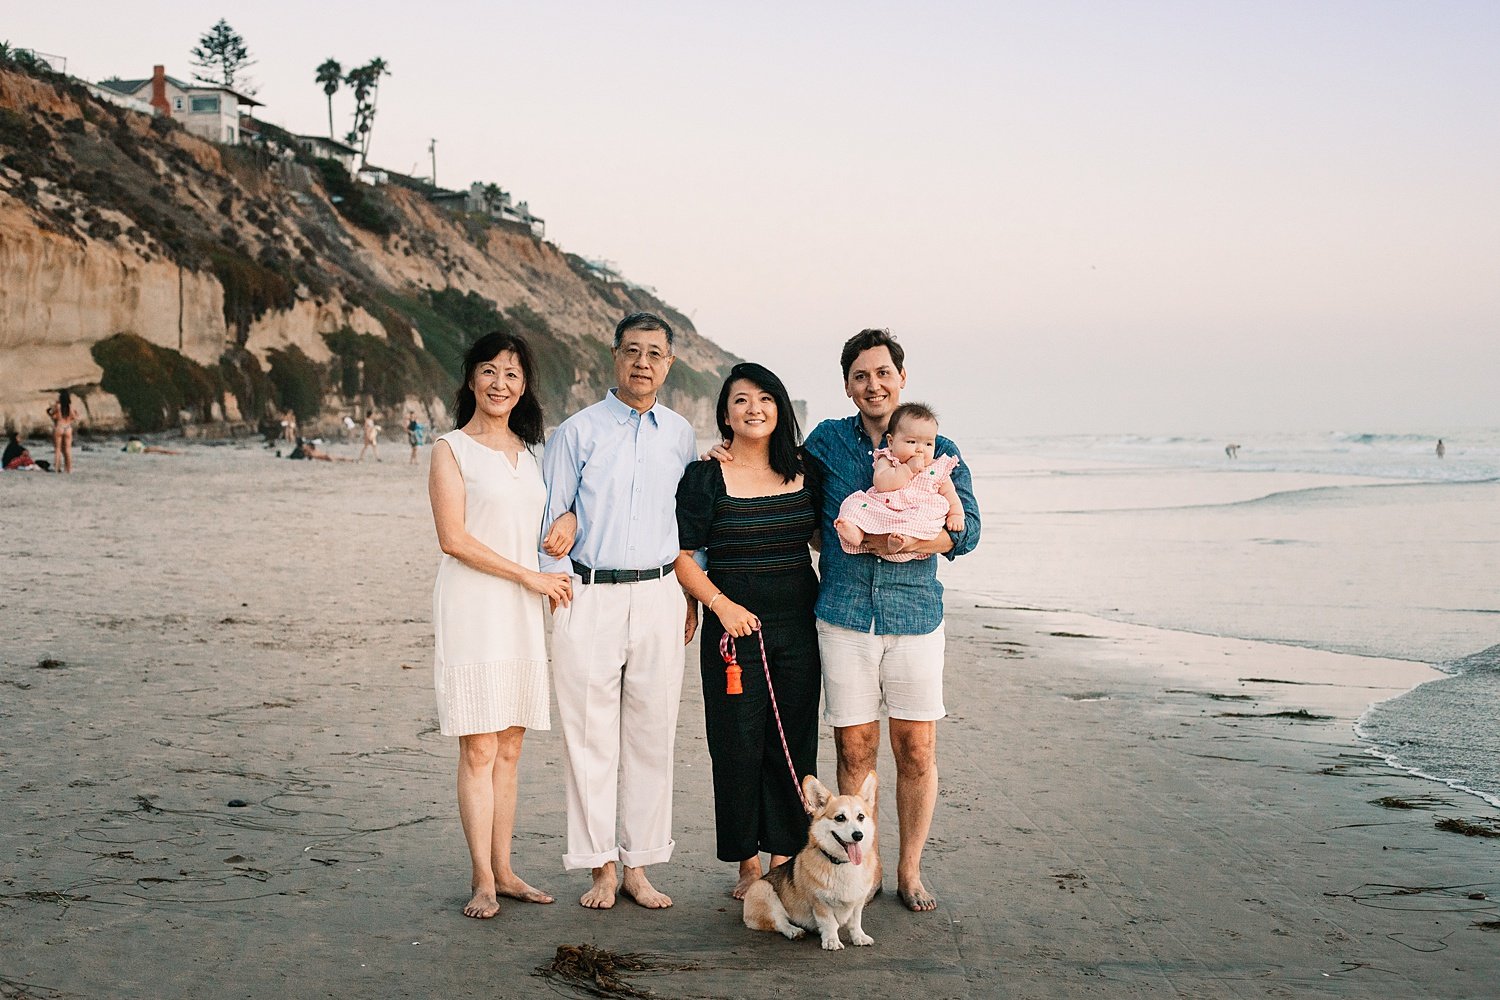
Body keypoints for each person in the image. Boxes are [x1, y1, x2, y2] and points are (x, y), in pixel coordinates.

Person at [799, 329, 979, 912]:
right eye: (860, 375)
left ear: (901, 378)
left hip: (915, 617)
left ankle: (909, 871)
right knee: (854, 751)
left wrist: (915, 541)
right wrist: (725, 453)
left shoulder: (939, 444)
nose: (872, 384)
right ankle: (861, 871)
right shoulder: (827, 442)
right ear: (848, 386)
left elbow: (967, 531)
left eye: (883, 373)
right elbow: (781, 483)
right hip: (845, 615)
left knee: (917, 749)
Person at [539, 311, 697, 910]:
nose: (642, 363)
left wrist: (690, 592)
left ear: (668, 364)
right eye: (632, 351)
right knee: (589, 736)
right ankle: (600, 866)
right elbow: (548, 518)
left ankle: (639, 865)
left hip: (659, 592)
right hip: (589, 593)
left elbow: (689, 525)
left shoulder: (680, 435)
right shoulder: (577, 432)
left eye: (654, 354)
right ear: (614, 356)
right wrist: (558, 590)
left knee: (653, 734)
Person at [428, 331, 574, 919]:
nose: (499, 384)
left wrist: (563, 520)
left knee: (511, 747)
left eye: (512, 375)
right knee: (479, 747)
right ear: (470, 379)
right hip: (473, 605)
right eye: (489, 371)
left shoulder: (532, 455)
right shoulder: (450, 449)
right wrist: (531, 579)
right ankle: (482, 878)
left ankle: (507, 868)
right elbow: (454, 539)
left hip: (518, 611)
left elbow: (551, 515)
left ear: (524, 387)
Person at [673, 363, 823, 899]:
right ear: (726, 414)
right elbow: (683, 557)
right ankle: (746, 862)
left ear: (779, 408)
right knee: (736, 743)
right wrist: (719, 605)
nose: (754, 408)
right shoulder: (703, 477)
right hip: (731, 631)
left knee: (793, 743)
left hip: (799, 628)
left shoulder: (808, 469)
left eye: (764, 398)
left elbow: (825, 540)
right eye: (741, 400)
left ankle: (784, 855)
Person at [834, 402, 964, 562]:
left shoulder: (937, 468)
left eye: (928, 444)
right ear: (890, 441)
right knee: (854, 503)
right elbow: (882, 484)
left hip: (915, 513)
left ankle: (905, 541)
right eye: (911, 442)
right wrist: (907, 469)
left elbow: (950, 494)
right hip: (883, 508)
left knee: (929, 517)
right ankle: (855, 531)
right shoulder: (888, 460)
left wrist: (956, 515)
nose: (920, 449)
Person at [46, 389, 78, 473]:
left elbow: (53, 415)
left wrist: (50, 412)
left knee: (57, 449)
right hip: (68, 427)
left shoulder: (58, 406)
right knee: (67, 450)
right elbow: (74, 417)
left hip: (59, 427)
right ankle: (68, 469)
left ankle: (56, 468)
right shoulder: (70, 406)